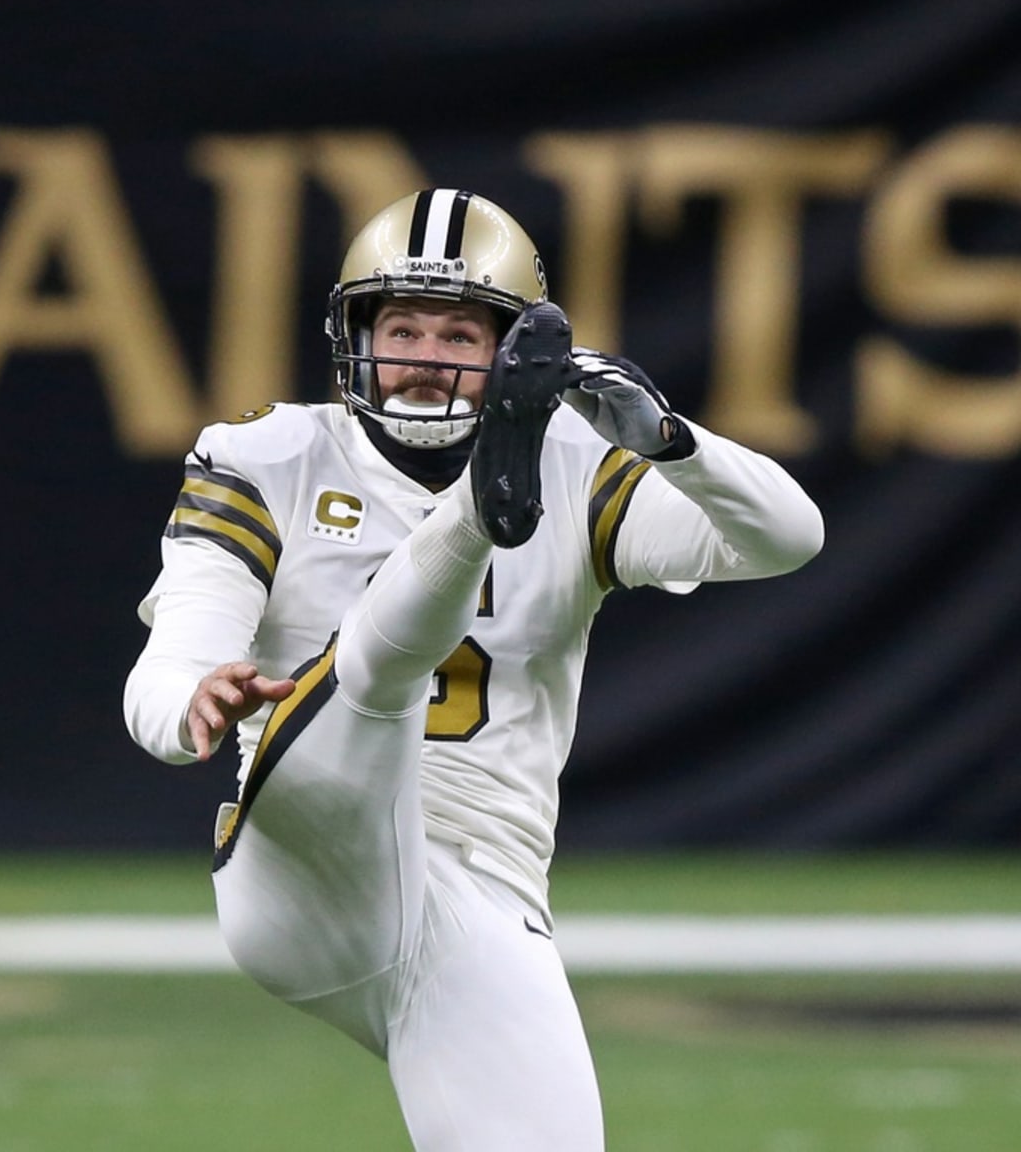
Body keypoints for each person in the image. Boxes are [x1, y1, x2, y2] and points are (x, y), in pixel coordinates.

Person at [123, 187, 824, 1150]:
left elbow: (787, 538)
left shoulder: (582, 460)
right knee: (368, 673)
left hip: (480, 888)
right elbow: (171, 664)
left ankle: (481, 505)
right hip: (312, 848)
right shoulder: (268, 453)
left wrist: (673, 441)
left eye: (459, 338)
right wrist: (187, 703)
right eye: (402, 328)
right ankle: (479, 514)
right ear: (356, 334)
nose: (422, 359)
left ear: (510, 357)